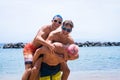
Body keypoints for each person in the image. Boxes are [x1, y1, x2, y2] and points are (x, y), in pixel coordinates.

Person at [22, 14, 63, 80]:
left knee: (36, 69)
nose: (57, 23)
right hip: (30, 49)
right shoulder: (46, 28)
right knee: (29, 69)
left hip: (40, 52)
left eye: (59, 22)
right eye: (55, 21)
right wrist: (48, 45)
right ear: (52, 21)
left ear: (61, 25)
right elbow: (38, 38)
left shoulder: (56, 33)